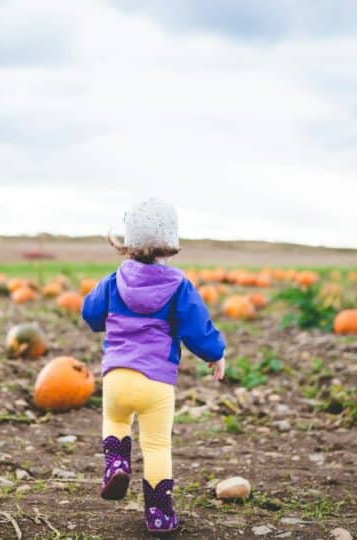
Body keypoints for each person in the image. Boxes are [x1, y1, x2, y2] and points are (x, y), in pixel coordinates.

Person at [82, 197, 226, 535]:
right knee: (158, 446)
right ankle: (159, 514)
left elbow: (90, 314)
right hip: (157, 383)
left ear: (127, 243)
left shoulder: (112, 281)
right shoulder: (178, 286)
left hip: (117, 377)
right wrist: (215, 353)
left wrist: (112, 318)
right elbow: (196, 329)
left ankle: (116, 463)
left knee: (115, 419)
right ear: (171, 244)